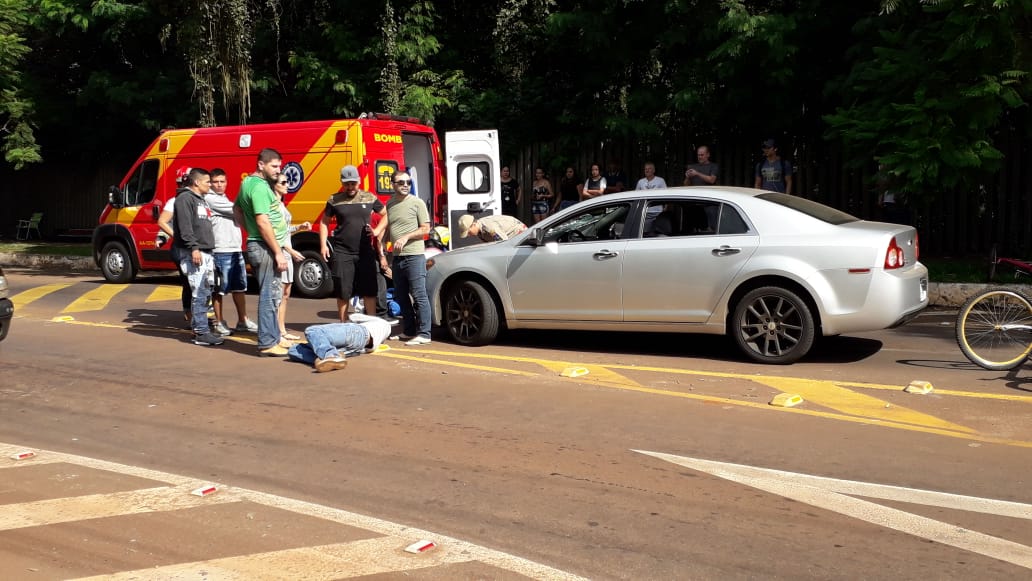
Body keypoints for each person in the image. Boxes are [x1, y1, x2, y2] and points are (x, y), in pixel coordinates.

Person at [234, 148, 291, 357]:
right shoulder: (258, 187)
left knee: (274, 293)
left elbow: (237, 209)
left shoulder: (247, 183)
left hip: (261, 243)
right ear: (261, 165)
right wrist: (277, 251)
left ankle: (274, 337)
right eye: (274, 166)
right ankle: (267, 342)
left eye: (279, 166)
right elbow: (262, 220)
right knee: (269, 295)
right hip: (266, 247)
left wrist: (249, 231)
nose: (278, 171)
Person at [319, 165, 387, 323]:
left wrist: (377, 231)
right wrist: (323, 244)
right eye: (347, 183)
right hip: (343, 252)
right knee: (343, 291)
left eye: (353, 183)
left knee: (369, 290)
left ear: (359, 181)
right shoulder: (334, 200)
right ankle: (343, 324)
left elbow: (386, 214)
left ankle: (372, 325)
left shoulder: (369, 197)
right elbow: (324, 222)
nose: (350, 187)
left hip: (365, 251)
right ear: (342, 183)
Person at [171, 168, 222, 346]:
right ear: (197, 182)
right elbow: (185, 228)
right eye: (208, 181)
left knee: (205, 291)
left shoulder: (201, 200)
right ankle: (201, 333)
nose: (211, 184)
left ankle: (200, 327)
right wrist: (194, 249)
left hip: (205, 252)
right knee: (199, 292)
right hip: (194, 252)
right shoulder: (185, 199)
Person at [205, 168, 258, 337]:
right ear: (210, 183)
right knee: (219, 289)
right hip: (221, 250)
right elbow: (238, 209)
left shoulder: (224, 198)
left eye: (222, 181)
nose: (220, 185)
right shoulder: (211, 199)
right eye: (216, 182)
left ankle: (243, 321)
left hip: (235, 249)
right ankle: (219, 322)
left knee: (239, 287)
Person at [385, 171, 432, 346]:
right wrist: (383, 244)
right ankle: (409, 330)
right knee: (401, 295)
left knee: (419, 294)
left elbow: (425, 229)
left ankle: (425, 333)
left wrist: (405, 237)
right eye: (401, 182)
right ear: (393, 185)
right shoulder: (390, 203)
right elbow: (391, 227)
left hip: (414, 255)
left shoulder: (417, 203)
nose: (406, 185)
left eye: (408, 182)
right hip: (397, 257)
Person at [286, 316, 393, 373]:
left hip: (357, 331)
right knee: (293, 350)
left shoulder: (381, 321)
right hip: (357, 348)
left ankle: (330, 355)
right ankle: (330, 357)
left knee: (312, 331)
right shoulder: (381, 334)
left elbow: (354, 316)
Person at [273, 175, 309, 341]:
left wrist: (299, 227)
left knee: (285, 293)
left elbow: (285, 230)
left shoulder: (281, 204)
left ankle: (281, 329)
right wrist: (290, 250)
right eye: (283, 182)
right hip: (280, 253)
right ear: (274, 186)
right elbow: (274, 234)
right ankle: (275, 330)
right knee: (278, 293)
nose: (287, 185)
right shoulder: (272, 205)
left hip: (286, 252)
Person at [157, 168, 194, 325]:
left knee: (202, 282)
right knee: (189, 281)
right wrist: (165, 236)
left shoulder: (200, 200)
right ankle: (190, 313)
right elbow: (165, 222)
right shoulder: (175, 201)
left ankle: (198, 314)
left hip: (198, 248)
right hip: (182, 249)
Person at [457, 213, 527, 243]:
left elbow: (503, 243)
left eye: (469, 232)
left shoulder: (489, 228)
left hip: (520, 234)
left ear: (474, 224)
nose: (469, 235)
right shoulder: (479, 231)